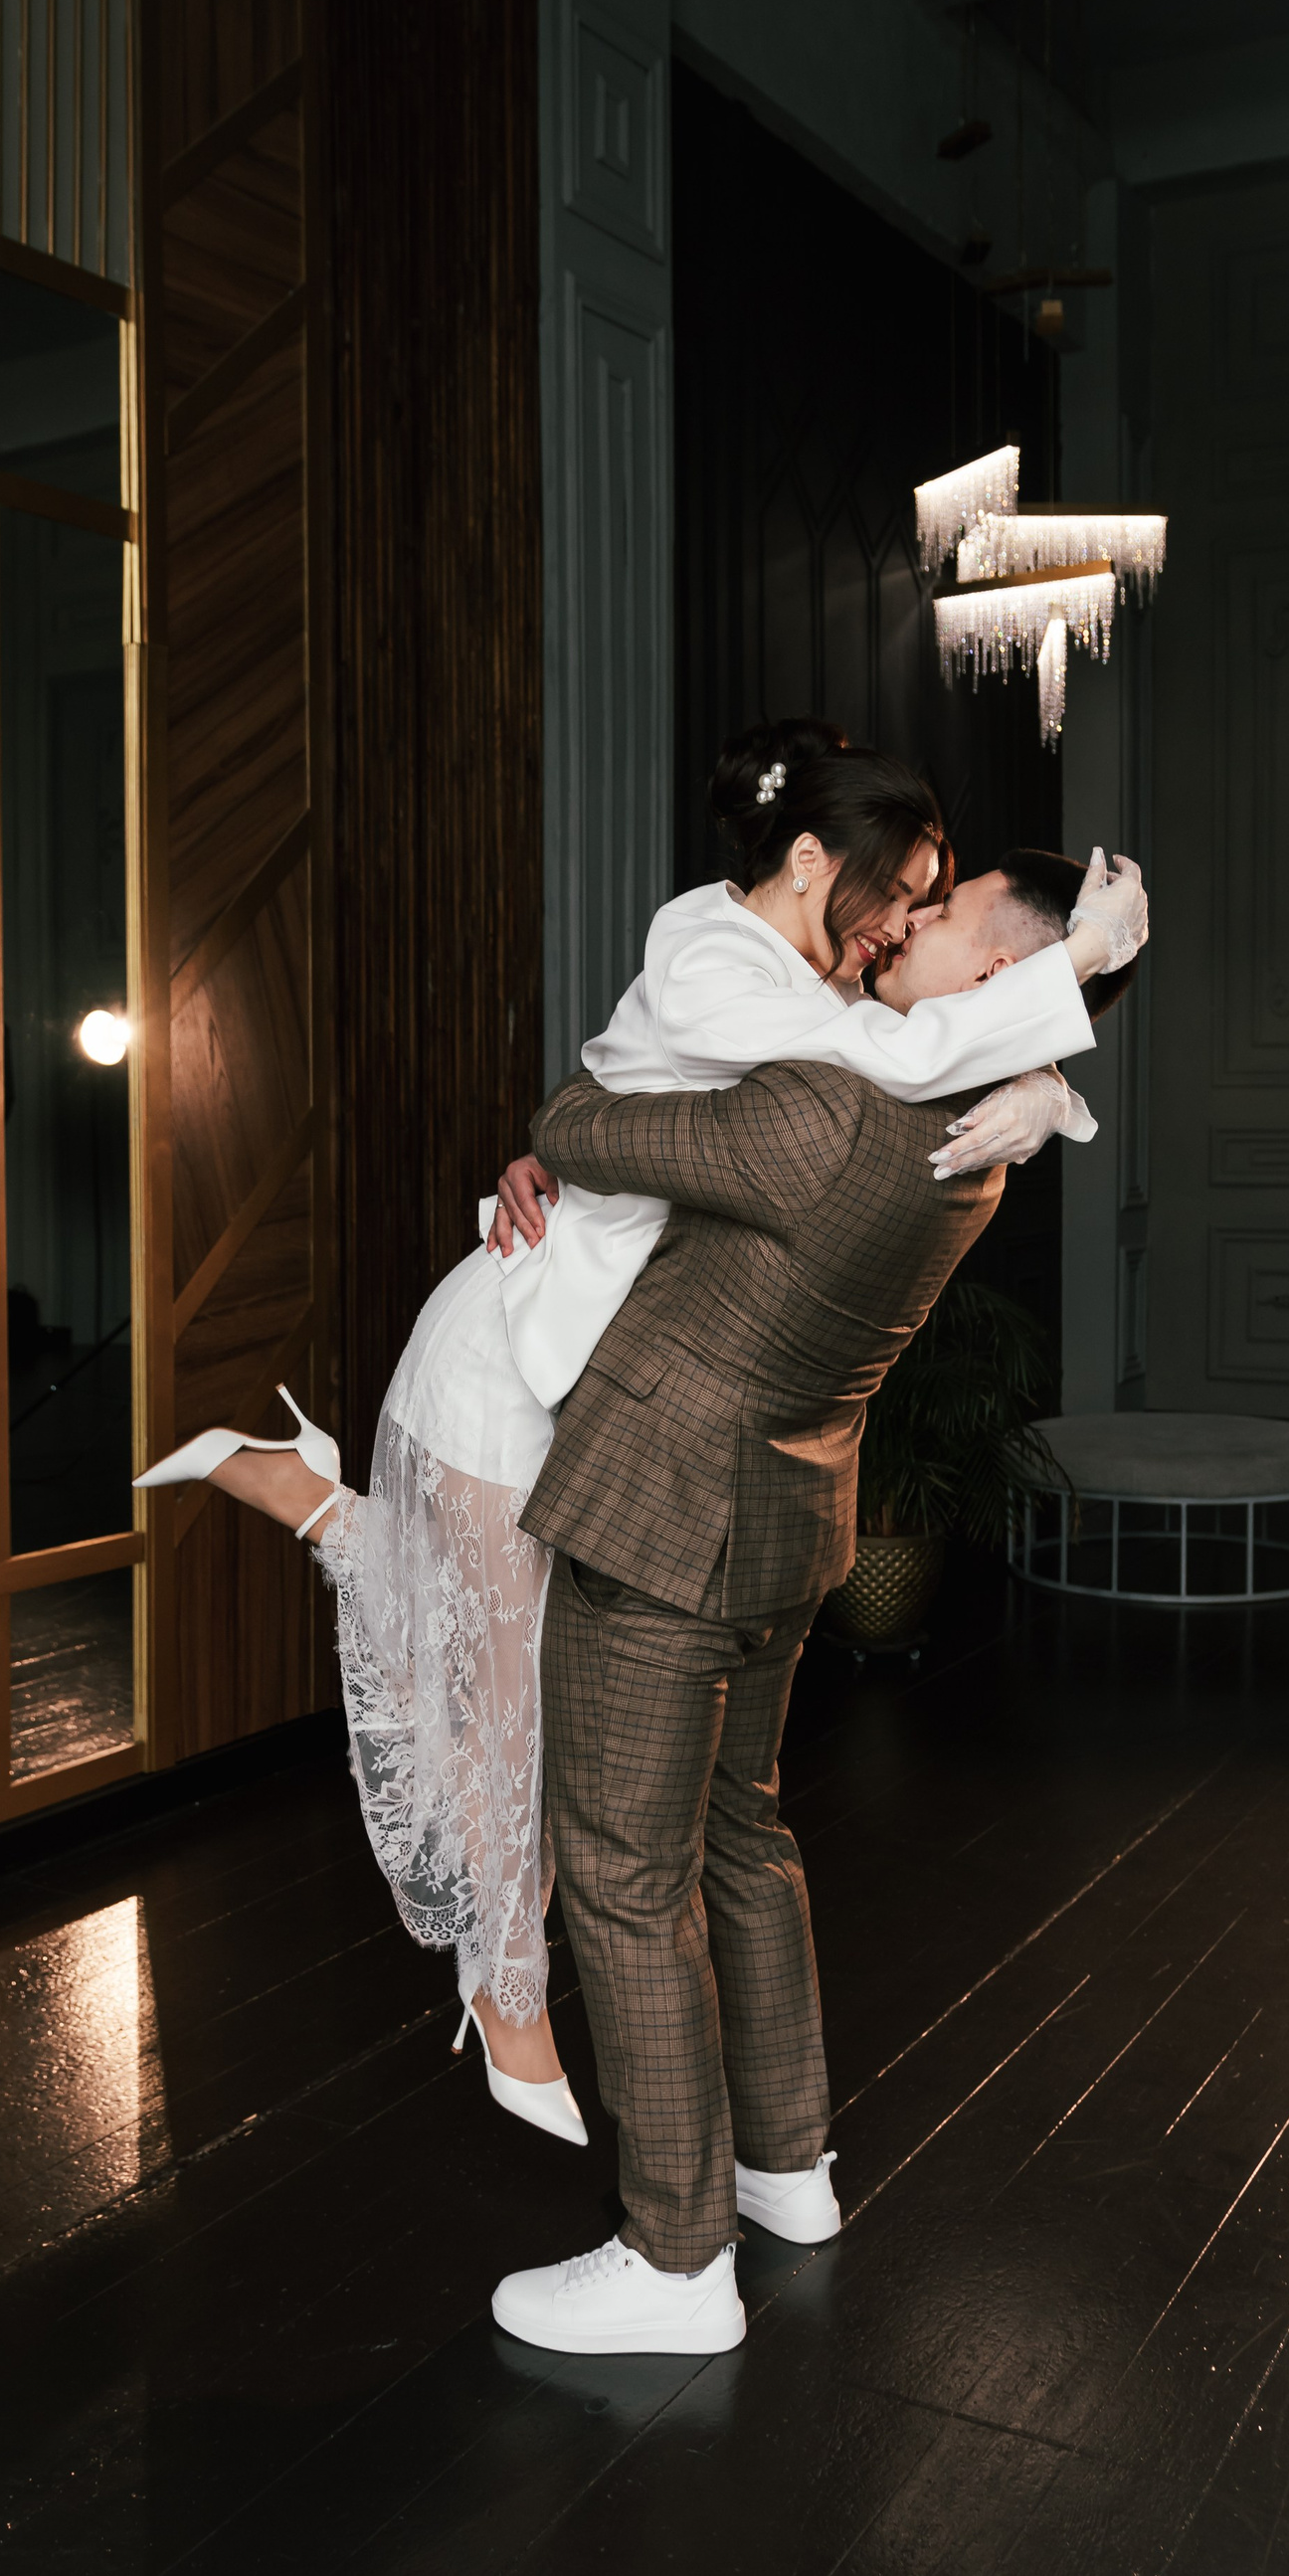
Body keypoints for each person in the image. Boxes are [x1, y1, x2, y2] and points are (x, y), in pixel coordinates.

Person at [133, 724, 1144, 2149]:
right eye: (905, 893)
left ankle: (315, 1502)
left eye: (935, 904)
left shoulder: (825, 988)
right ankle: (510, 2002)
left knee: (491, 1663)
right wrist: (1067, 992)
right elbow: (867, 1060)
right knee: (506, 1710)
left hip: (596, 1384)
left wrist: (1045, 1089)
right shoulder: (716, 956)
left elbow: (894, 1065)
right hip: (511, 1351)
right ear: (814, 860)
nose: (907, 922)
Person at [481, 841, 1144, 2353]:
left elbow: (576, 1122)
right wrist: (1045, 1072)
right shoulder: (983, 1133)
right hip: (783, 1521)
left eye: (943, 910)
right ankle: (787, 2174)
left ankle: (672, 2264)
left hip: (662, 1518)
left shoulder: (826, 1108)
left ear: (998, 971)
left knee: (625, 1877)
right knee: (741, 1838)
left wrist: (567, 1129)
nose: (903, 923)